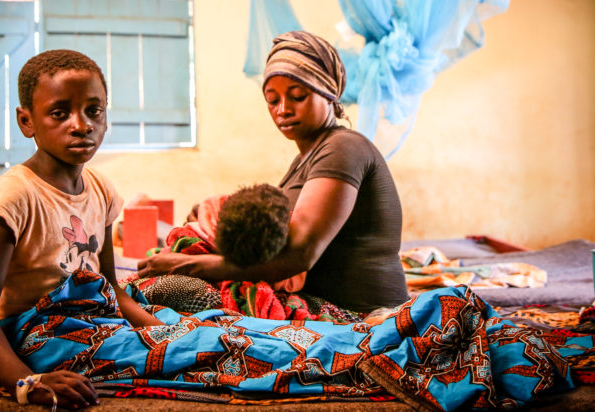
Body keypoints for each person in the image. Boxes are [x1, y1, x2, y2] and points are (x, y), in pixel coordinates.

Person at [137, 31, 409, 314]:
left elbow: (300, 255)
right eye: (272, 99)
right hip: (320, 300)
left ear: (329, 93)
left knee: (171, 290)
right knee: (162, 287)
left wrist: (187, 264)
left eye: (297, 96)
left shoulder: (343, 148)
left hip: (361, 312)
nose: (283, 109)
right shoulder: (305, 159)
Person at [0, 49, 162, 410]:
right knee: (205, 350)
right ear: (27, 121)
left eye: (94, 111)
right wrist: (25, 381)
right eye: (60, 113)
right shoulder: (14, 196)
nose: (81, 124)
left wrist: (158, 332)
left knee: (199, 318)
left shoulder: (100, 189)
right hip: (40, 334)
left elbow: (111, 286)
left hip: (96, 317)